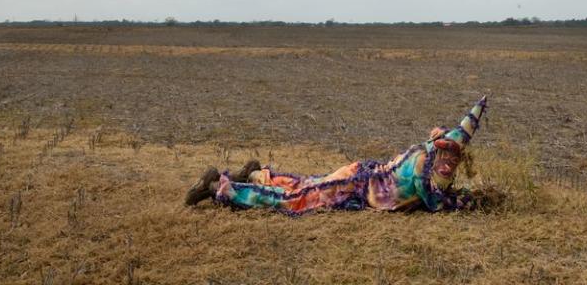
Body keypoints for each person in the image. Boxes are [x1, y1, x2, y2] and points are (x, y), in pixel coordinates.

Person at [185, 96, 488, 214]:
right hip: (357, 184)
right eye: (446, 156)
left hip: (360, 177)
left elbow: (438, 193)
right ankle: (220, 188)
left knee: (307, 185)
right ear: (437, 150)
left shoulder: (432, 160)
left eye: (455, 159)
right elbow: (435, 202)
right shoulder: (423, 163)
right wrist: (471, 201)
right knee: (298, 200)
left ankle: (255, 173)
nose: (449, 163)